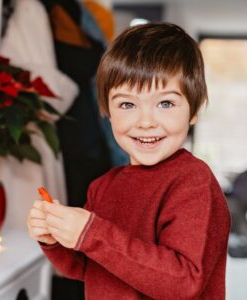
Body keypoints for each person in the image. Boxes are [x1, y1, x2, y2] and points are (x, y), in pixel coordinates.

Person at [27, 23, 231, 299]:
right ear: (107, 111)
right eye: (127, 104)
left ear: (193, 109)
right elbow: (88, 268)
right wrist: (55, 240)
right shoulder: (102, 187)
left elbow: (184, 282)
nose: (145, 122)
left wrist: (91, 234)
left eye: (165, 103)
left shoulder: (192, 182)